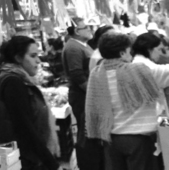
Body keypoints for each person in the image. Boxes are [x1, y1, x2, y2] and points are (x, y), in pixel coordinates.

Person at [85, 30, 169, 170]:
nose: (131, 55)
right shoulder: (139, 71)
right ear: (122, 53)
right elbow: (166, 73)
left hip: (111, 139)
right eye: (129, 51)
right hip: (139, 140)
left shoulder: (97, 74)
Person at [0, 35, 61, 170]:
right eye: (33, 56)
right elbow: (25, 128)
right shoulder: (13, 82)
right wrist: (52, 164)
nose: (38, 61)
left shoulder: (19, 78)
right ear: (18, 58)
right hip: (25, 161)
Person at [64, 20, 95, 151]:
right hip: (81, 96)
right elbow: (77, 74)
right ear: (77, 31)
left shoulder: (82, 45)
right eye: (86, 27)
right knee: (86, 131)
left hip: (86, 94)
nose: (90, 29)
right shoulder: (73, 47)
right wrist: (92, 92)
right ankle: (87, 158)